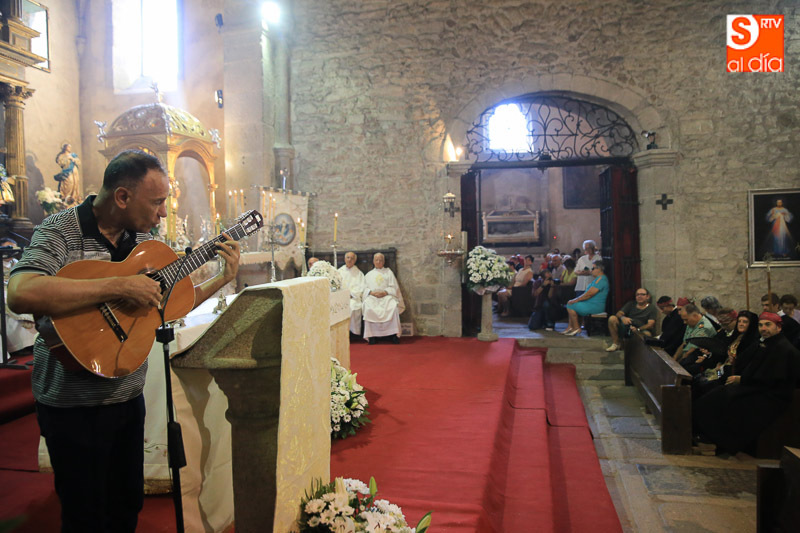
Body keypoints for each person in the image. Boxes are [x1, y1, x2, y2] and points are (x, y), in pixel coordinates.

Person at [7, 150, 241, 532]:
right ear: (122, 197)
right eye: (157, 202)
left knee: (126, 508)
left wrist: (222, 278)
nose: (163, 213)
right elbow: (20, 292)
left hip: (127, 398)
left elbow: (171, 304)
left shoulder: (142, 241)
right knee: (84, 517)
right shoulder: (60, 230)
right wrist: (119, 285)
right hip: (72, 406)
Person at [693, 312, 800, 454]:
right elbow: (744, 363)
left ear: (778, 327)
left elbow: (772, 377)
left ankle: (721, 441)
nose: (763, 328)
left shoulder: (783, 348)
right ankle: (707, 436)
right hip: (751, 384)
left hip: (771, 394)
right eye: (761, 325)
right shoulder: (761, 342)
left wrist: (741, 379)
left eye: (768, 325)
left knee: (723, 397)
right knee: (711, 391)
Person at [362, 252, 405, 344]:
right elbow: (364, 289)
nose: (378, 262)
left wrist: (385, 292)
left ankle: (393, 335)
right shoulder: (368, 275)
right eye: (376, 260)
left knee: (393, 306)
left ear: (384, 261)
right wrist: (371, 292)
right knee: (368, 307)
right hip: (372, 297)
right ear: (373, 261)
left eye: (380, 260)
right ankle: (371, 335)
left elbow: (394, 287)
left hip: (386, 296)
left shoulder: (389, 272)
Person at [563, 261, 609, 336]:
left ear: (599, 269)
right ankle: (570, 327)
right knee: (570, 303)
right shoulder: (598, 279)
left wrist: (576, 300)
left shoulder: (602, 280)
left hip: (595, 306)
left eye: (593, 268)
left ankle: (576, 328)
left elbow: (589, 294)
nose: (591, 270)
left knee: (570, 305)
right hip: (590, 303)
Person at [338, 251, 366, 337]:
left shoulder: (359, 274)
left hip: (353, 298)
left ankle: (352, 333)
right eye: (348, 257)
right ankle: (340, 332)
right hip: (341, 297)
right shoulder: (338, 272)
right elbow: (336, 286)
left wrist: (351, 295)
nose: (350, 260)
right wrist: (343, 294)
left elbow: (361, 288)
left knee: (353, 307)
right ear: (344, 259)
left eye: (352, 258)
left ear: (355, 260)